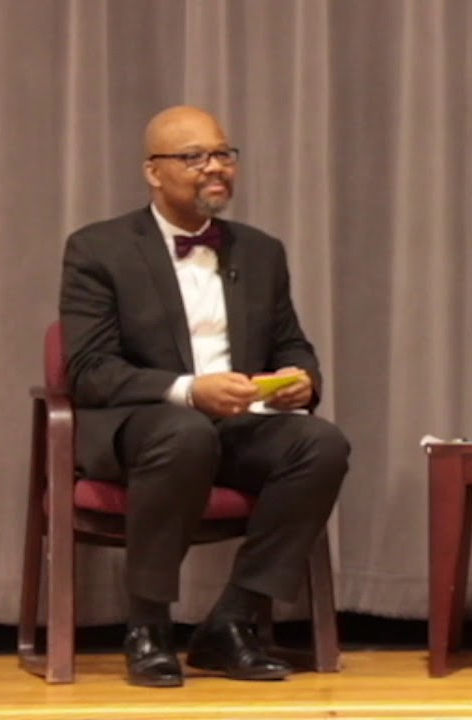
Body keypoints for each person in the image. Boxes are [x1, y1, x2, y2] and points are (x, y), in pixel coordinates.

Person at [59, 105, 350, 687]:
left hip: (238, 424)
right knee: (185, 431)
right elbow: (89, 370)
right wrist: (190, 390)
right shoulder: (98, 249)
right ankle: (147, 626)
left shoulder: (260, 251)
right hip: (141, 424)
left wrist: (301, 379)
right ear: (153, 171)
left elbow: (293, 344)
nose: (215, 168)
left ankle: (233, 621)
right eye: (194, 157)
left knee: (320, 444)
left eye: (223, 154)